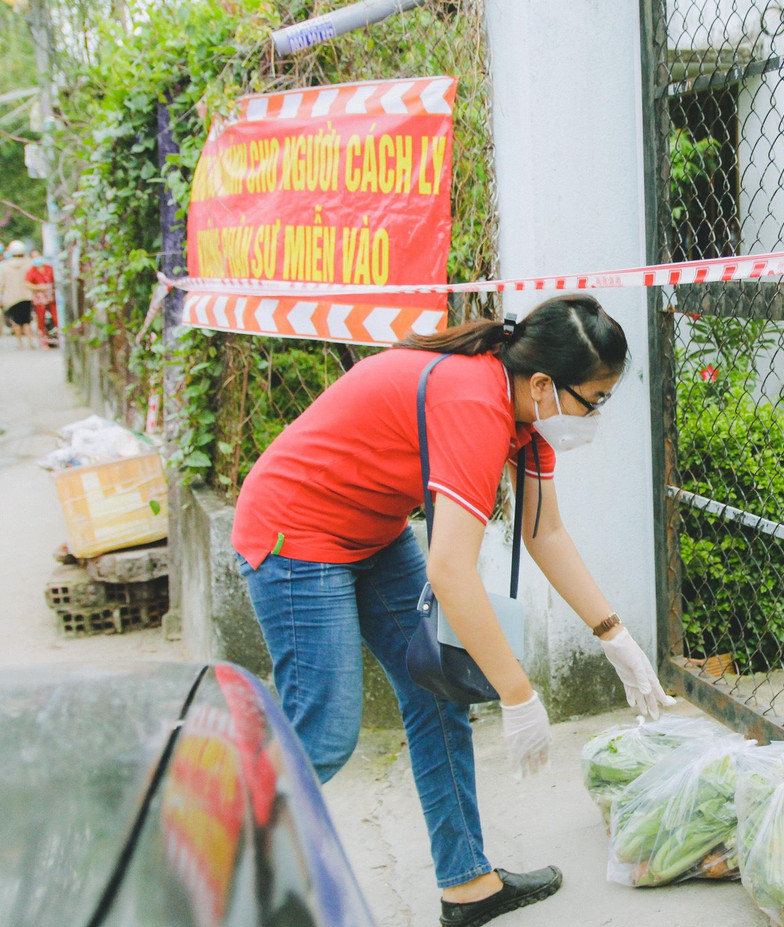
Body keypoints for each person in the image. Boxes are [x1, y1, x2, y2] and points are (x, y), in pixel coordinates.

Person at [231, 294, 675, 927]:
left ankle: (468, 883)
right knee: (326, 733)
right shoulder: (475, 402)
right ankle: (193, 861)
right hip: (295, 534)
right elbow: (449, 570)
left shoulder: (529, 418)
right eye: (594, 399)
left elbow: (544, 532)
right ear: (546, 382)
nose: (596, 414)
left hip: (371, 532)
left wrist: (615, 637)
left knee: (437, 692)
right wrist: (518, 695)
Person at [0, 241, 37, 348]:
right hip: (27, 295)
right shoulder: (29, 264)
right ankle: (30, 341)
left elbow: (1, 283)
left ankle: (20, 343)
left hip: (11, 297)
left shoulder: (5, 266)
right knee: (27, 320)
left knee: (15, 321)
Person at [25, 250, 56, 348]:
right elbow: (27, 284)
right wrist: (39, 287)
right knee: (40, 320)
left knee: (56, 317)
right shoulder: (31, 271)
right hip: (40, 299)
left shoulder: (49, 268)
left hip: (51, 297)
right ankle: (43, 341)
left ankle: (58, 337)